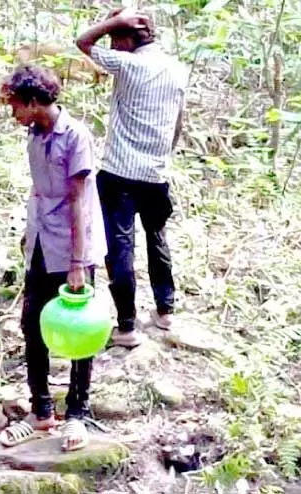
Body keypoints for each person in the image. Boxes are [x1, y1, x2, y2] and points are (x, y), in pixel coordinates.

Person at [0, 65, 107, 451]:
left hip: (74, 244)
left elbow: (78, 201)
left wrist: (77, 263)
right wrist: (29, 235)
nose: (14, 114)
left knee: (81, 330)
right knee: (32, 324)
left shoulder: (75, 136)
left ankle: (78, 412)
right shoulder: (34, 135)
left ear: (32, 102)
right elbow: (39, 190)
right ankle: (41, 410)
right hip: (42, 240)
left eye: (15, 106)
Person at [76, 8, 188, 347]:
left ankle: (126, 327)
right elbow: (178, 122)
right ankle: (165, 311)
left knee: (120, 247)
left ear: (127, 37)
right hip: (156, 173)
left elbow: (83, 42)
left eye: (116, 38)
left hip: (120, 174)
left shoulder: (127, 64)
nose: (113, 45)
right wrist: (163, 157)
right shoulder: (177, 69)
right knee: (157, 238)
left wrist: (113, 22)